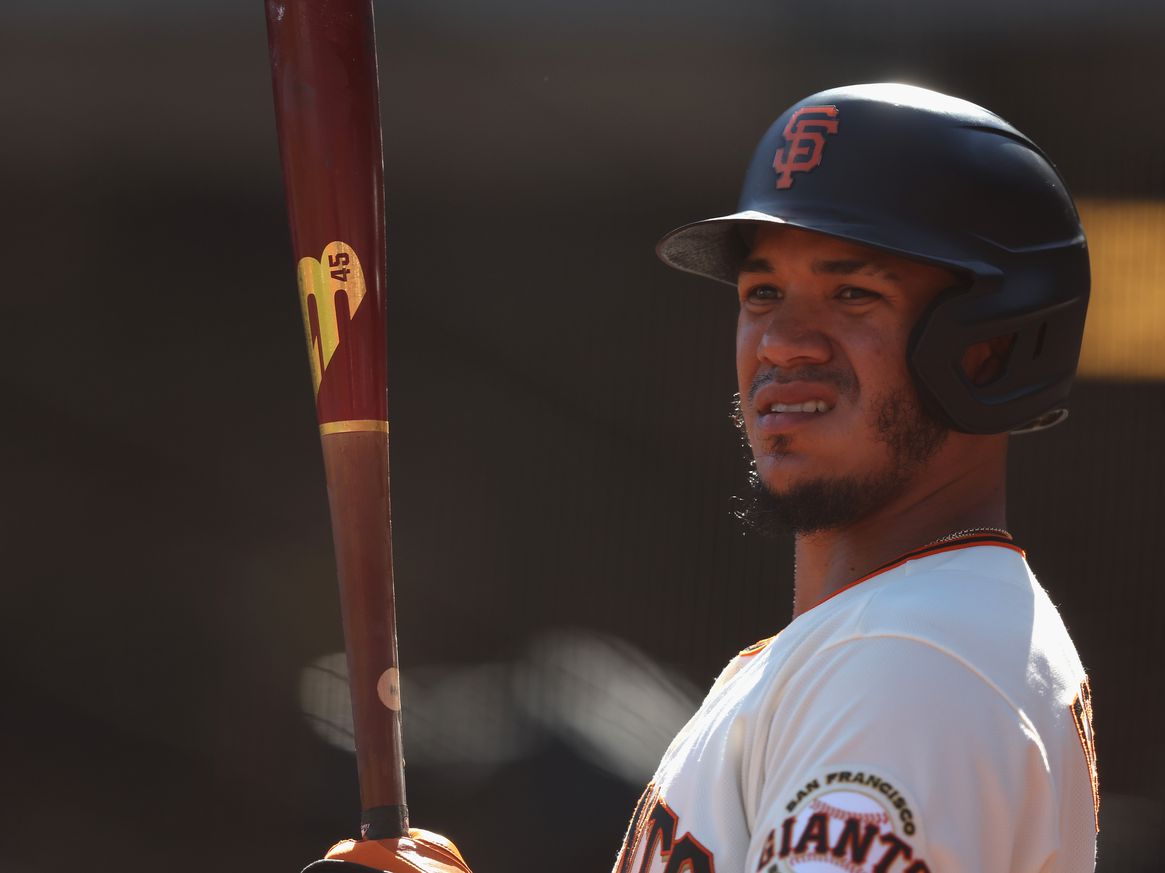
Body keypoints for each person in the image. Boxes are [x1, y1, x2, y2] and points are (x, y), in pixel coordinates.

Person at [309, 82, 1098, 873]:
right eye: (763, 292)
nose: (783, 342)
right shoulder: (913, 634)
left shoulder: (912, 661)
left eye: (853, 291)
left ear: (991, 345)